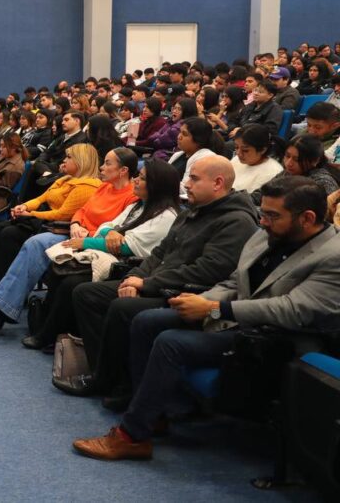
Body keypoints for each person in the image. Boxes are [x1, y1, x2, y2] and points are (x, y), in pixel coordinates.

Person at [72, 176, 340, 461]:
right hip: (239, 319)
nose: (262, 222)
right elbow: (236, 281)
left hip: (281, 337)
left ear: (307, 218)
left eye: (273, 216)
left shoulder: (332, 256)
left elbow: (293, 309)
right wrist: (200, 302)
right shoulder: (269, 234)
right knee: (146, 320)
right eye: (263, 213)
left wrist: (214, 309)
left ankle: (132, 437)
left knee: (171, 342)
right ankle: (156, 413)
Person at [61, 156, 259, 404]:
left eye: (194, 179)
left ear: (218, 183)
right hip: (159, 282)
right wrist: (133, 278)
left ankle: (118, 384)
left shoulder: (236, 221)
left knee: (123, 307)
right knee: (86, 293)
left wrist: (146, 284)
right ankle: (108, 372)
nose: (186, 184)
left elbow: (207, 271)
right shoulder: (193, 212)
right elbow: (159, 254)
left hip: (190, 294)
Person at [0, 148, 138, 332]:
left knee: (32, 242)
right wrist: (76, 224)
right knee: (25, 240)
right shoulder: (104, 187)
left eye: (107, 163)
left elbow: (115, 229)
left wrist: (86, 233)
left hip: (88, 242)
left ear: (123, 171)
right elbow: (80, 211)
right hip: (72, 231)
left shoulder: (129, 196)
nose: (102, 167)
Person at [22, 159, 181, 351]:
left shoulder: (166, 216)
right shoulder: (139, 206)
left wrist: (92, 240)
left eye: (142, 178)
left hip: (132, 268)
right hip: (111, 257)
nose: (136, 181)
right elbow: (107, 226)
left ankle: (48, 335)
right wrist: (113, 233)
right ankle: (55, 333)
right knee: (59, 271)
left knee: (71, 283)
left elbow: (127, 247)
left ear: (157, 185)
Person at [0, 143, 102, 291]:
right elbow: (41, 198)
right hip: (44, 221)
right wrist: (24, 206)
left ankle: (8, 290)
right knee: (0, 228)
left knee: (9, 234)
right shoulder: (65, 179)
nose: (64, 160)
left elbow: (62, 214)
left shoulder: (86, 186)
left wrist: (31, 214)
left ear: (81, 161)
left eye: (69, 157)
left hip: (57, 227)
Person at [166, 117, 225, 199]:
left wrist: (160, 179)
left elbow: (186, 189)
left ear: (198, 139)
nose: (179, 137)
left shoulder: (205, 158)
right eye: (180, 132)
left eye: (185, 134)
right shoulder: (178, 154)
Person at [230, 124, 284, 193]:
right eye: (236, 147)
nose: (238, 153)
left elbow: (252, 200)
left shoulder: (272, 172)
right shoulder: (236, 160)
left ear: (262, 150)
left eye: (245, 150)